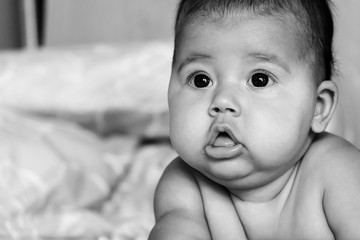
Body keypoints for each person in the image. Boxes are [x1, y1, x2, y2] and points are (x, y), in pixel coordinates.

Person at [149, 0, 360, 239]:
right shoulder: (184, 184)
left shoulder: (339, 172)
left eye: (259, 79)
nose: (223, 101)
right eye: (200, 79)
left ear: (318, 107)